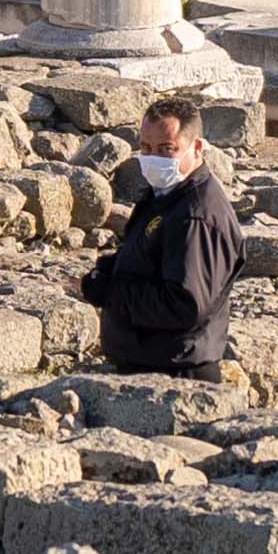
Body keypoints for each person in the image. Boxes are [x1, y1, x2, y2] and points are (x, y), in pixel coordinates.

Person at [81, 91, 239, 377]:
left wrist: (111, 292)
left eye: (167, 149)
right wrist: (112, 269)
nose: (154, 158)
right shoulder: (165, 194)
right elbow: (152, 253)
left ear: (197, 148)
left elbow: (184, 305)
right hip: (148, 361)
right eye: (146, 147)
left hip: (176, 374)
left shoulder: (196, 216)